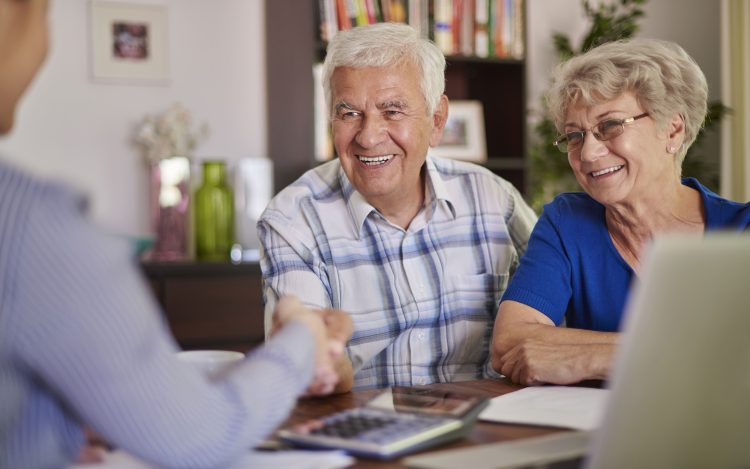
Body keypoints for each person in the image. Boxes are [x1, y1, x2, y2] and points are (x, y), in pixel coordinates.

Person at [0, 1, 352, 468]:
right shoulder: (33, 226)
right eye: (43, 14)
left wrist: (51, 430)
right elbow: (201, 434)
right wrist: (303, 337)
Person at [258, 22, 537, 392]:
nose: (369, 136)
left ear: (436, 122)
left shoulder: (495, 198)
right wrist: (321, 361)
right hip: (365, 436)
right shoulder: (291, 221)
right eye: (349, 113)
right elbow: (314, 366)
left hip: (487, 430)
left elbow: (554, 322)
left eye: (392, 111)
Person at [492, 38, 750, 386]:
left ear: (672, 129)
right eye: (574, 136)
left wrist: (597, 355)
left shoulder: (741, 230)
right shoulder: (567, 223)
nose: (588, 154)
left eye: (610, 126)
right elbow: (509, 345)